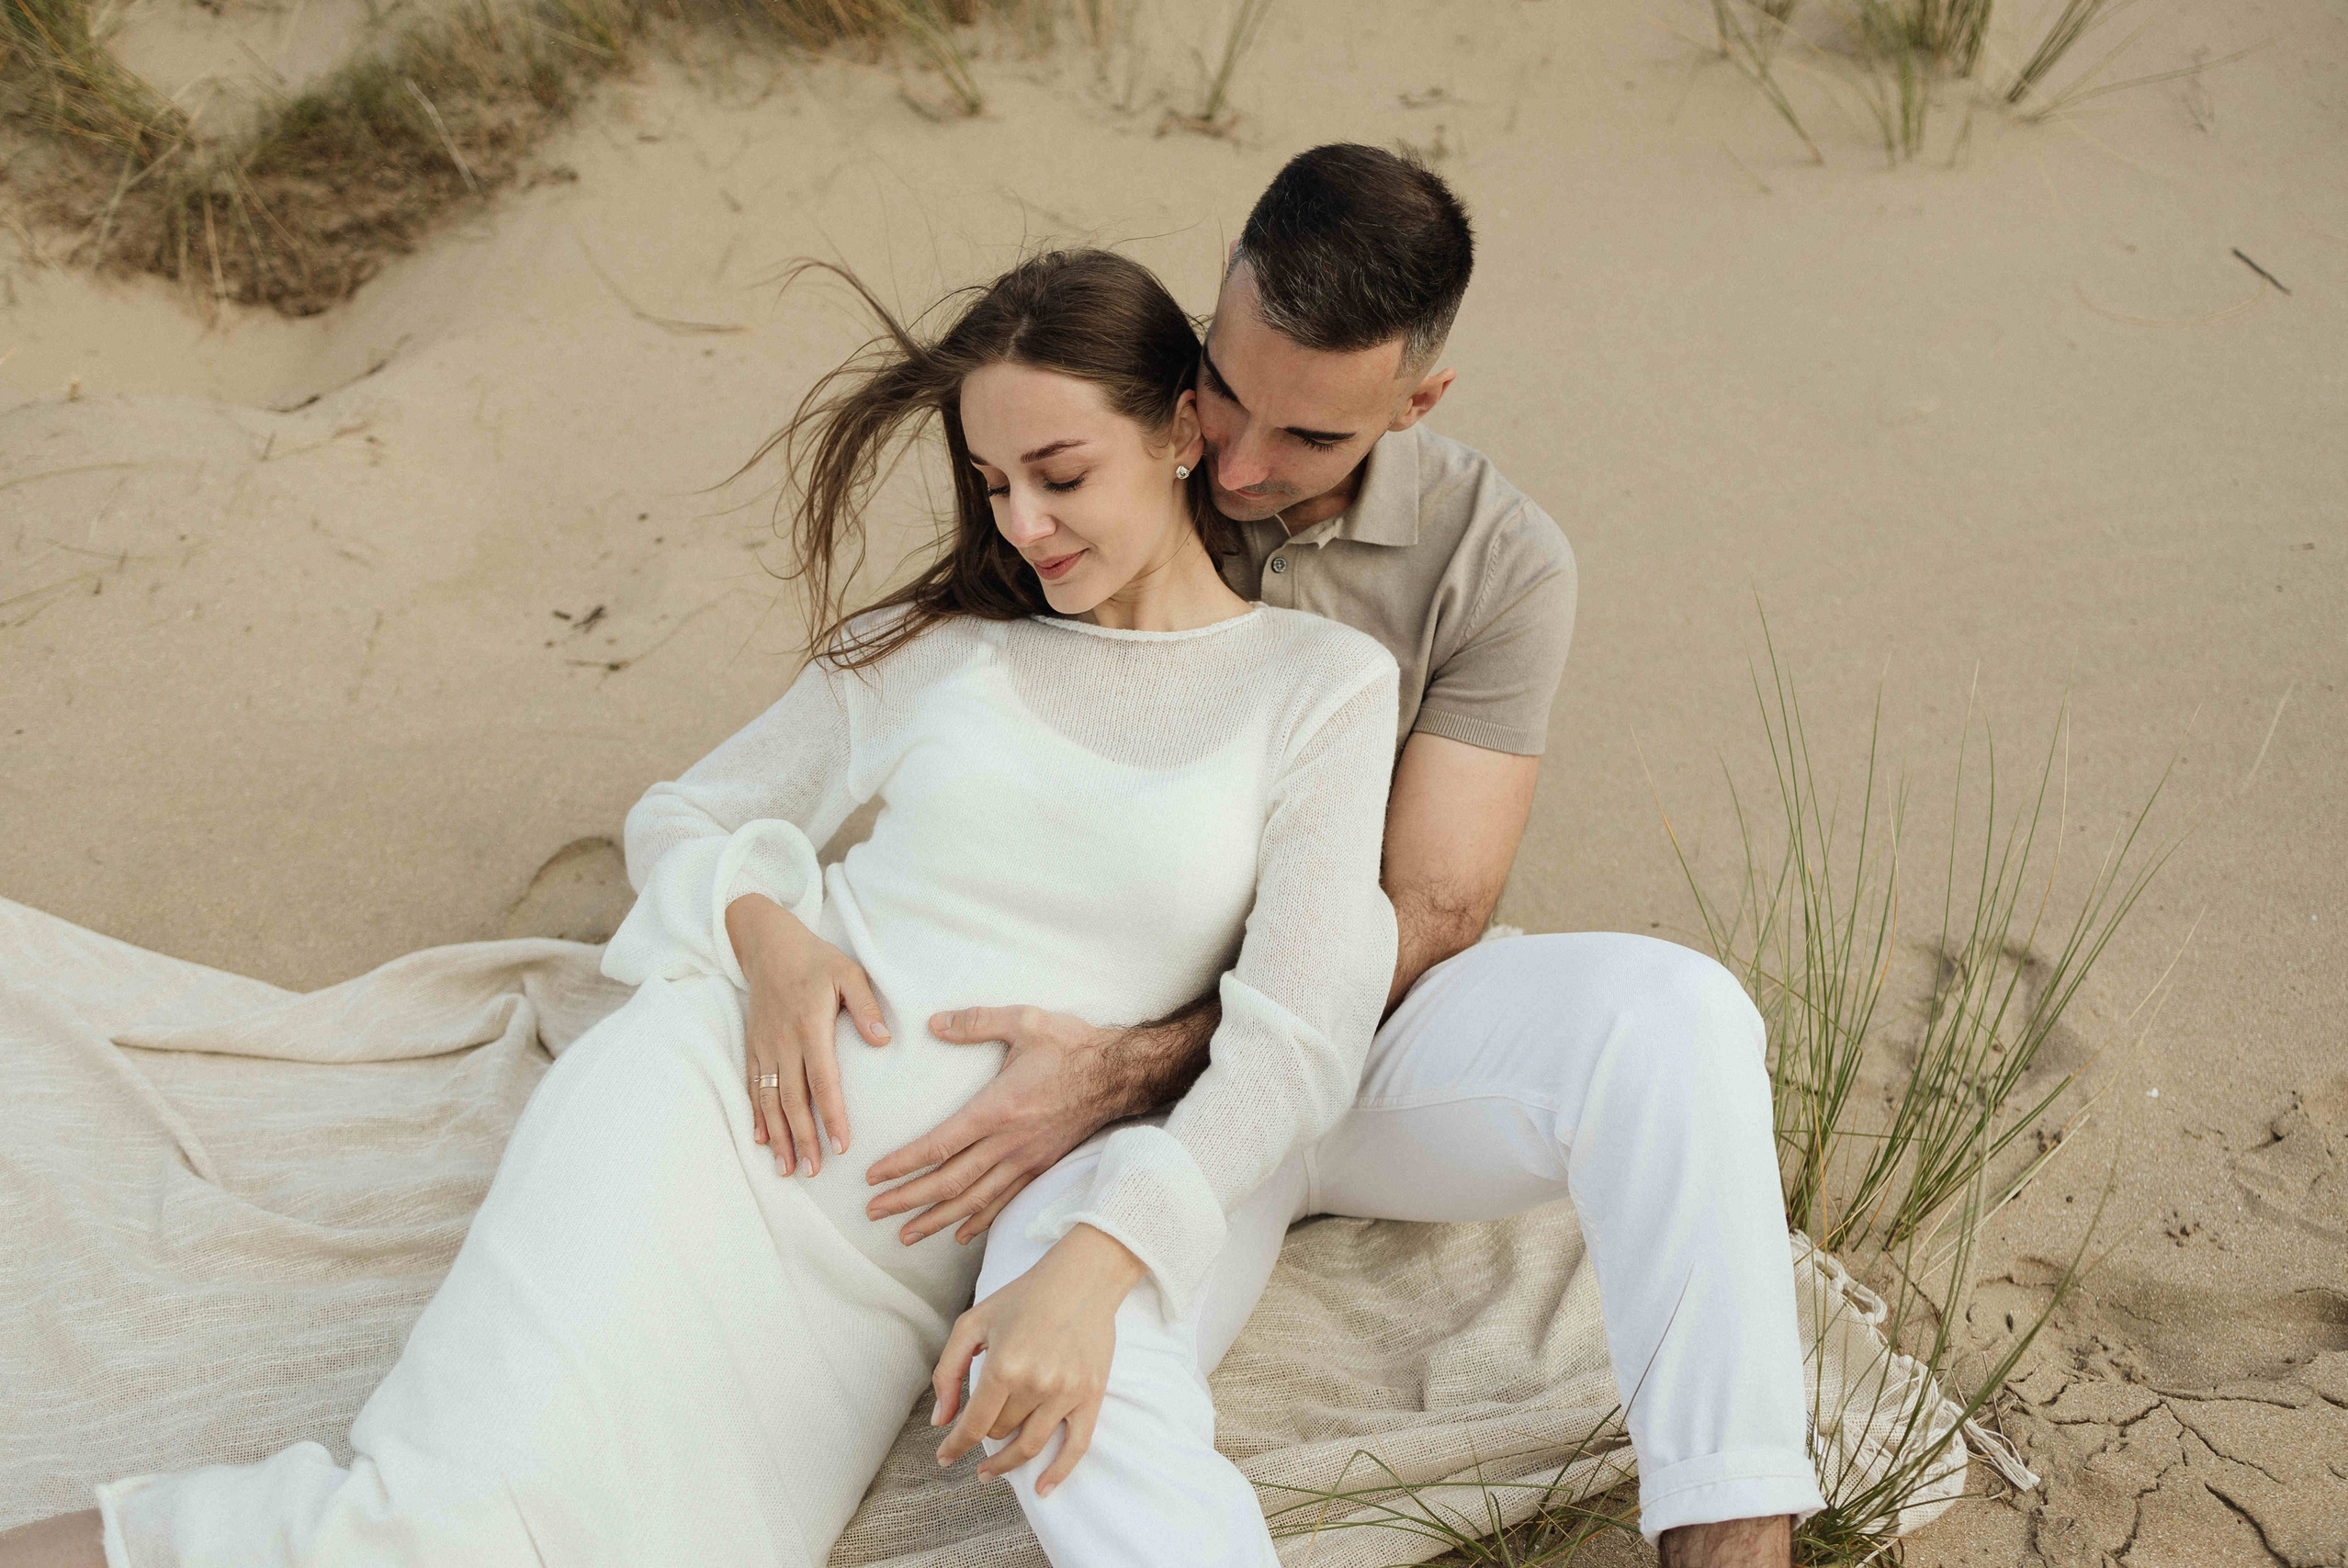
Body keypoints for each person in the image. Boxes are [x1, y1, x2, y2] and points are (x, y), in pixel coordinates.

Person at [0, 249, 1403, 1567]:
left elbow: (1301, 1029)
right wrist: (770, 937)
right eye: (990, 485)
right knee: (422, 1526)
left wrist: (1108, 1257)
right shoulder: (947, 652)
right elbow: (687, 815)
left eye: (1060, 473)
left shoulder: (1314, 688)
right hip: (700, 1131)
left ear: (1175, 432)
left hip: (880, 1293)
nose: (1023, 525)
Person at [850, 146, 1828, 1568]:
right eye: (1227, 398)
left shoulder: (1505, 560)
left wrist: (1141, 1057)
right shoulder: (1109, 452)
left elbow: (1430, 909)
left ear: (1418, 402)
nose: (1238, 469)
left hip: (1361, 1043)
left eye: (1310, 440)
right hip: (1131, 1108)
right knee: (1060, 1361)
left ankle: (1734, 1548)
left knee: (1676, 1018)